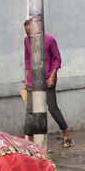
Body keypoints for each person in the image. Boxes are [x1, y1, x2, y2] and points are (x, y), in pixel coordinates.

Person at [23, 19, 72, 148]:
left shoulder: (49, 40)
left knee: (52, 108)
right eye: (27, 33)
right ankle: (27, 137)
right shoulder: (27, 41)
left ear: (37, 29)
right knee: (29, 109)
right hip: (33, 79)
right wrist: (26, 77)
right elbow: (27, 59)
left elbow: (57, 59)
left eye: (30, 32)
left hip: (48, 78)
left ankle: (66, 132)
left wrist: (52, 76)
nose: (29, 35)